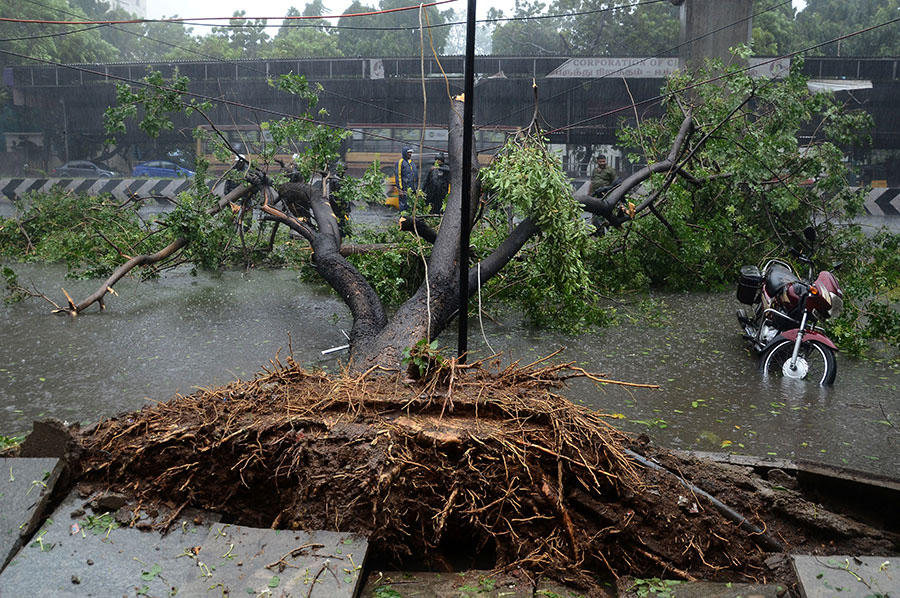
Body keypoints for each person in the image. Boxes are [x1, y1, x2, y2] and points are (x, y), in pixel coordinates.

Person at [395, 147, 418, 212]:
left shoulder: (411, 162)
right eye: (408, 152)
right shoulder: (400, 162)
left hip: (412, 188)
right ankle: (403, 219)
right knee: (404, 206)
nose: (410, 154)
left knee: (411, 206)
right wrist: (400, 189)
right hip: (404, 189)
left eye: (411, 152)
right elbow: (398, 176)